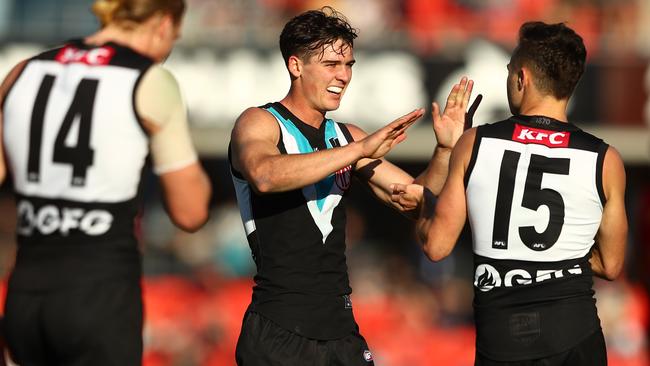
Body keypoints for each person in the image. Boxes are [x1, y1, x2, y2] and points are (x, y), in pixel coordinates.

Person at [228, 6, 477, 366]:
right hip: (279, 327)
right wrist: (358, 150)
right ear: (296, 66)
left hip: (340, 328)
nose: (343, 76)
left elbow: (416, 200)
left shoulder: (345, 137)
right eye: (331, 64)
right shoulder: (259, 122)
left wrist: (445, 149)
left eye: (348, 66)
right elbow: (265, 175)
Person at [393, 21, 628, 365]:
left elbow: (436, 246)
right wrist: (559, 260)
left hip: (503, 340)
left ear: (522, 78)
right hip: (575, 335)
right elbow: (611, 264)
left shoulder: (474, 143)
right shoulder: (606, 160)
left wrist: (430, 193)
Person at [0, 0, 211, 364]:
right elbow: (190, 213)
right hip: (99, 294)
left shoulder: (24, 71)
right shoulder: (149, 79)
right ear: (163, 24)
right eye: (173, 39)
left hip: (26, 293)